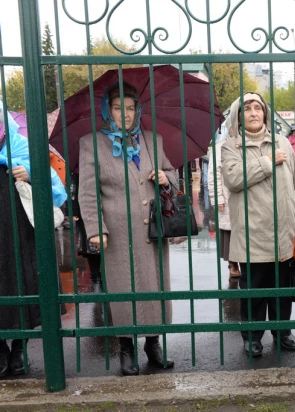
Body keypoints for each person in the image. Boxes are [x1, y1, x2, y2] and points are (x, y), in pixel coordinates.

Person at [78, 82, 177, 376]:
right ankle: (126, 347)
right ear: (108, 110)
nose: (126, 114)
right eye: (119, 107)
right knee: (123, 288)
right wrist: (96, 227)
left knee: (154, 286)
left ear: (139, 110)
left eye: (131, 108)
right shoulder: (91, 143)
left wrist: (165, 177)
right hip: (117, 232)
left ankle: (153, 344)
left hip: (153, 231)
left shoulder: (152, 140)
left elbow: (173, 174)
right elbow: (87, 191)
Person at [221, 93, 295, 357]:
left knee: (282, 289)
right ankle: (252, 336)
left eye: (258, 108)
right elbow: (233, 178)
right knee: (255, 291)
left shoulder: (282, 141)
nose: (253, 113)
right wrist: (267, 161)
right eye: (247, 109)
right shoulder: (231, 147)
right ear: (239, 116)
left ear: (265, 113)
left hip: (284, 230)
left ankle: (282, 331)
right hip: (252, 235)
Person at [0, 103, 67, 378]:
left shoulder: (21, 145)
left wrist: (30, 175)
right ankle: (1, 350)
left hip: (23, 235)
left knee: (27, 287)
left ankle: (19, 349)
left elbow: (57, 188)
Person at [208, 139, 240, 278]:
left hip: (247, 195)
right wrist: (217, 198)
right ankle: (233, 263)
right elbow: (213, 173)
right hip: (228, 195)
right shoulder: (220, 147)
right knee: (230, 231)